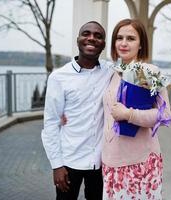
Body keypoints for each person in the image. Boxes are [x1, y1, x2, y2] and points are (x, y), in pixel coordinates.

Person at [41, 21, 114, 200]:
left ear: (104, 44)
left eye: (98, 36)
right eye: (86, 33)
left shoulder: (111, 71)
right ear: (78, 40)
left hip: (100, 162)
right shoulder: (59, 77)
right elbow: (51, 123)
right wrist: (56, 165)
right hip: (69, 162)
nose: (91, 38)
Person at [101, 19, 171, 199]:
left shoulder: (148, 72)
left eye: (131, 38)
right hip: (111, 161)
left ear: (141, 44)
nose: (123, 43)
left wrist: (129, 114)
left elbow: (165, 114)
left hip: (140, 164)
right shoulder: (113, 72)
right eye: (119, 38)